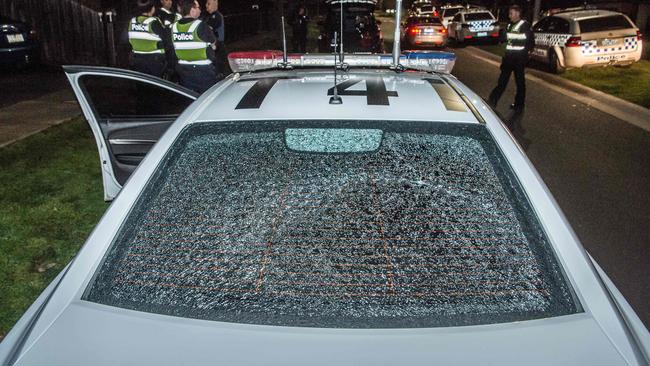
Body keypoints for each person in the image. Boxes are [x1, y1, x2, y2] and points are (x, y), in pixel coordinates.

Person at [488, 5, 534, 112]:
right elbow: (504, 38)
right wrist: (501, 38)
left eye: (511, 13)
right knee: (502, 82)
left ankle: (519, 104)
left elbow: (530, 42)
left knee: (520, 83)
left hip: (519, 59)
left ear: (518, 13)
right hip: (508, 59)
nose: (509, 16)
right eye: (509, 13)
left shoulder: (525, 25)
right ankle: (492, 101)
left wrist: (526, 55)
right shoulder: (509, 25)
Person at [172, 0, 218, 93]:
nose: (200, 11)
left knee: (190, 99)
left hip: (184, 70)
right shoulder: (200, 25)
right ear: (192, 10)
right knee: (208, 98)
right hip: (203, 70)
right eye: (198, 8)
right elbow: (214, 45)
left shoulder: (174, 26)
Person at [128, 0, 170, 77]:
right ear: (152, 8)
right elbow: (167, 40)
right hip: (154, 60)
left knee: (142, 85)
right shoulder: (153, 22)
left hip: (137, 59)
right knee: (155, 86)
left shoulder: (132, 21)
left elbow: (127, 40)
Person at [203, 0, 226, 80]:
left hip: (218, 45)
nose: (206, 6)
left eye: (208, 4)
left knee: (218, 68)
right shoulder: (209, 16)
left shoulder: (216, 15)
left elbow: (209, 29)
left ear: (214, 4)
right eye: (206, 4)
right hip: (215, 45)